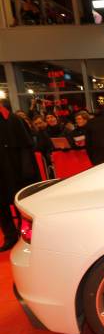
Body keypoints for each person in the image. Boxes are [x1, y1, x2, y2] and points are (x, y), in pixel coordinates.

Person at [0, 101, 41, 251]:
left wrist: (27, 172)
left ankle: (26, 235)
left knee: (20, 203)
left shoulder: (14, 120)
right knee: (2, 206)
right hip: (4, 172)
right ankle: (10, 236)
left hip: (15, 170)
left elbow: (25, 147)